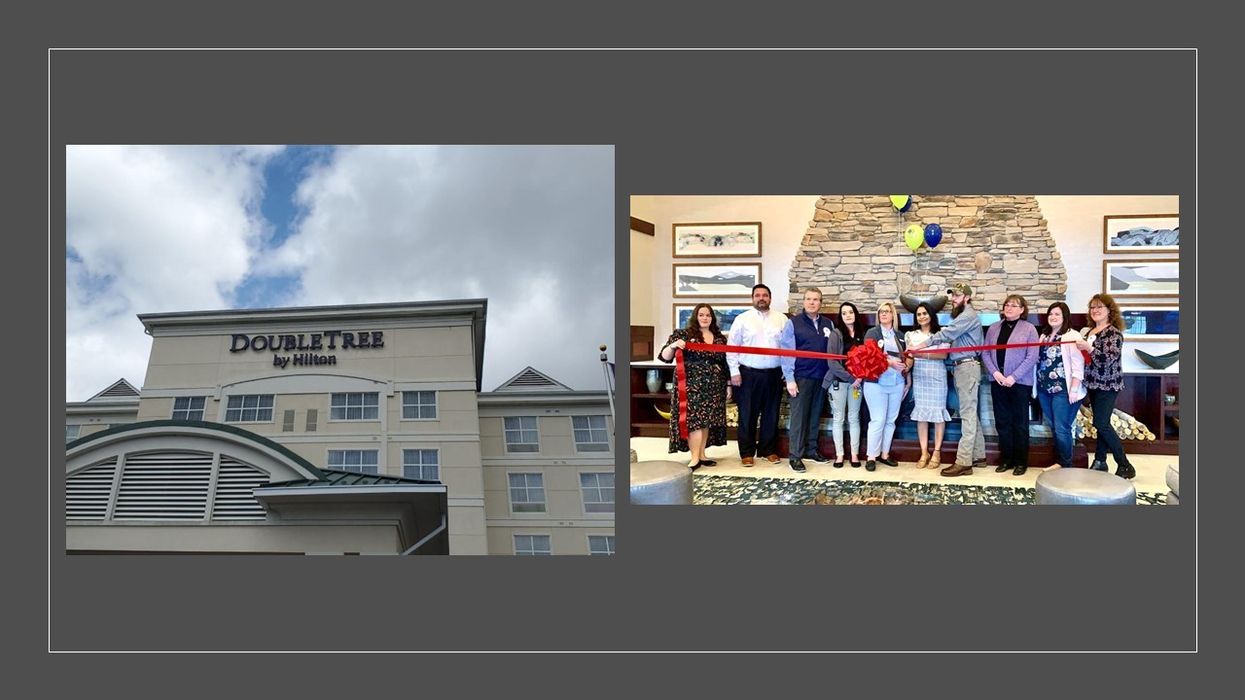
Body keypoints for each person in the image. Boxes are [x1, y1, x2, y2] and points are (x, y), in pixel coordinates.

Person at [908, 281, 986, 477]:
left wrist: (920, 347)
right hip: (962, 367)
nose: (953, 299)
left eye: (957, 296)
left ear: (967, 297)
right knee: (970, 413)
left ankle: (964, 462)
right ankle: (979, 455)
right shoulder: (963, 315)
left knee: (967, 415)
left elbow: (945, 334)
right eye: (952, 295)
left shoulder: (967, 315)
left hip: (967, 366)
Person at [726, 284, 796, 467]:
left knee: (771, 413)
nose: (761, 298)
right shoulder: (742, 319)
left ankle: (768, 450)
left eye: (765, 295)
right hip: (748, 374)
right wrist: (734, 372)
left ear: (770, 298)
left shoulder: (781, 319)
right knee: (748, 414)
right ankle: (747, 452)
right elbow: (731, 347)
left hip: (773, 373)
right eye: (757, 295)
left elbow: (787, 348)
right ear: (752, 298)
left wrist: (786, 371)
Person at [658, 303, 729, 470]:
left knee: (706, 421)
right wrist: (673, 345)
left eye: (708, 315)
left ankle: (702, 455)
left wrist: (728, 385)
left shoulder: (720, 338)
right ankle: (694, 458)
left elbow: (724, 363)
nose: (705, 318)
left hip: (714, 385)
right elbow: (664, 356)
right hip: (690, 385)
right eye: (701, 314)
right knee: (694, 422)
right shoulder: (682, 334)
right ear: (695, 317)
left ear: (712, 318)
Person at [1075, 293, 1135, 479]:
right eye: (1092, 307)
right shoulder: (1089, 331)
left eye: (1100, 307)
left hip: (1108, 385)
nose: (1095, 310)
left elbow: (1106, 360)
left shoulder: (1114, 333)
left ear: (1110, 311)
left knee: (1100, 422)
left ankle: (1124, 464)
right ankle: (1100, 461)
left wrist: (1088, 348)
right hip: (1092, 383)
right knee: (1103, 423)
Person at [982, 294, 1040, 476]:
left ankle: (1021, 462)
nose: (1009, 308)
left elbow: (1032, 356)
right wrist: (996, 373)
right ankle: (1006, 459)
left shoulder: (1029, 329)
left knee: (1020, 423)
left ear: (1022, 310)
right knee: (1002, 422)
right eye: (1007, 304)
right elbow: (985, 353)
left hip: (1019, 383)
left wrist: (1013, 377)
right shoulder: (993, 328)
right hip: (998, 381)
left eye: (1014, 305)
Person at [783, 288, 831, 472]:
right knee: (798, 418)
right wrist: (789, 379)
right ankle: (795, 456)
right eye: (809, 299)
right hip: (800, 377)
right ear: (804, 301)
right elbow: (786, 353)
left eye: (816, 299)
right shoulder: (793, 324)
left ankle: (811, 450)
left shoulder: (828, 324)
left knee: (814, 416)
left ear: (820, 303)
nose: (812, 302)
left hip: (822, 377)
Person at [1035, 301, 1086, 470]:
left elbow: (1078, 365)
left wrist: (1073, 389)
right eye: (1051, 314)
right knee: (1055, 426)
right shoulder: (1044, 336)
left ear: (1065, 317)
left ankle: (1065, 465)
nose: (1053, 317)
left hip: (1063, 391)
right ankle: (1060, 461)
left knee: (1061, 428)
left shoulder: (1073, 336)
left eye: (1057, 314)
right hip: (1044, 389)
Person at [861, 301, 909, 471]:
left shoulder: (900, 335)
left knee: (890, 421)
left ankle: (885, 454)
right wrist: (890, 363)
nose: (884, 314)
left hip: (897, 383)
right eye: (881, 311)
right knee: (878, 420)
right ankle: (871, 456)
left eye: (887, 311)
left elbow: (906, 357)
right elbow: (869, 356)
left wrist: (907, 375)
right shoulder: (872, 333)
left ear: (893, 315)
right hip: (876, 383)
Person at [904, 302, 950, 469]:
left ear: (931, 315)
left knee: (938, 415)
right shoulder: (911, 335)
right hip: (920, 377)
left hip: (937, 377)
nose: (922, 316)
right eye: (919, 314)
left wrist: (920, 353)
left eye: (924, 313)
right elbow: (909, 357)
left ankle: (937, 451)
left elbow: (943, 355)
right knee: (921, 416)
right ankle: (924, 452)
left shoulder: (941, 333)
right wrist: (906, 367)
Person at [822, 301, 866, 468]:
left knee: (854, 418)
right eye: (844, 313)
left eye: (851, 312)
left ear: (855, 314)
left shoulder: (862, 334)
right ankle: (839, 455)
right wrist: (851, 378)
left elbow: (867, 360)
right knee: (839, 418)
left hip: (858, 383)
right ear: (841, 316)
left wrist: (860, 378)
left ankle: (854, 455)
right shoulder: (836, 333)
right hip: (838, 383)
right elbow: (832, 362)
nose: (848, 315)